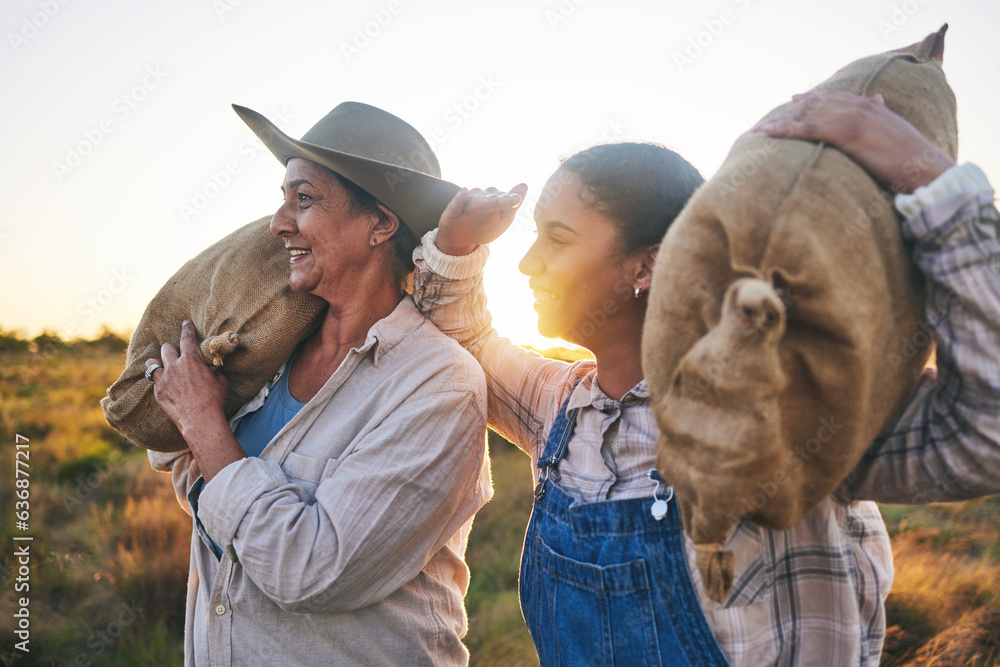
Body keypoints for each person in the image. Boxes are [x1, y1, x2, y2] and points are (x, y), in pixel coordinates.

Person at [412, 91, 1000, 665]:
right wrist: (458, 248)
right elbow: (468, 342)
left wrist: (936, 188)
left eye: (557, 237)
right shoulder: (561, 406)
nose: (527, 260)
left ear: (648, 263)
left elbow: (983, 432)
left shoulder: (782, 407)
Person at [144, 102, 493, 666]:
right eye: (282, 199)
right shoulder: (263, 352)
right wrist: (200, 432)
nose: (279, 223)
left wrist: (206, 426)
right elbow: (183, 463)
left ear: (380, 224)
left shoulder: (437, 384)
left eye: (303, 200)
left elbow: (312, 570)